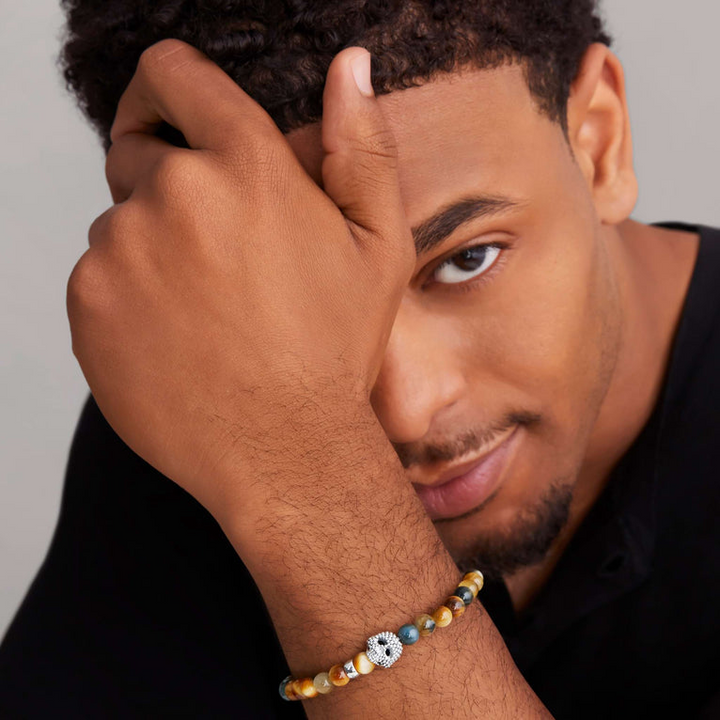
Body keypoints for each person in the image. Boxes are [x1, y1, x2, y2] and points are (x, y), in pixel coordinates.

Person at [1, 0, 718, 717]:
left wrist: (316, 490)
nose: (407, 412)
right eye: (297, 309)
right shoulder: (213, 397)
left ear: (598, 143)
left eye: (468, 258)